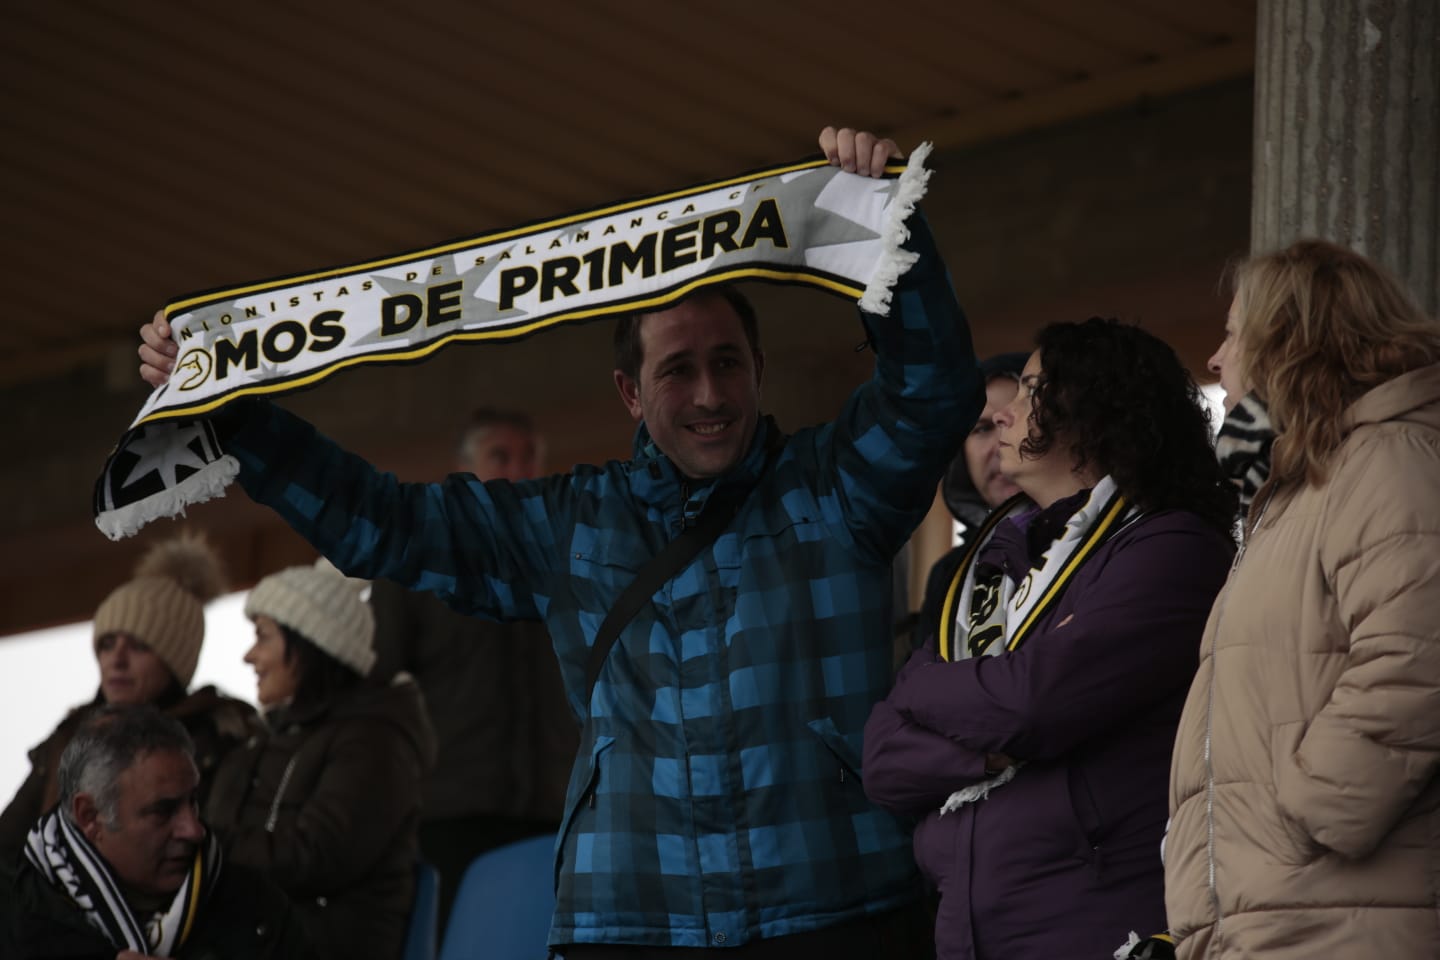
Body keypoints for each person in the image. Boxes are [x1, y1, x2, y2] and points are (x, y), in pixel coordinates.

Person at [138, 126, 982, 956]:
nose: (710, 392)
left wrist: (888, 235)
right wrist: (234, 418)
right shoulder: (569, 523)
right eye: (677, 370)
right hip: (629, 922)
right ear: (628, 392)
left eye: (729, 363)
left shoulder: (833, 486)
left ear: (759, 367)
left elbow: (932, 393)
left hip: (836, 909)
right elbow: (385, 524)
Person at [862, 318, 1238, 959]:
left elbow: (1032, 701)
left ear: (1098, 413)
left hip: (1098, 928)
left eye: (1031, 390)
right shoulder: (988, 565)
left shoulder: (1172, 545)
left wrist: (923, 686)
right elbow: (883, 761)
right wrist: (979, 758)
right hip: (970, 931)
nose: (1003, 414)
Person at [1165, 241, 1440, 958]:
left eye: (1234, 333)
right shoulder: (1295, 488)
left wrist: (1316, 809)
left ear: (1292, 343)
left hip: (1335, 915)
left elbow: (1417, 656)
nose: (1218, 359)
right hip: (1283, 914)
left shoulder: (1386, 461)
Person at [368, 406, 578, 931]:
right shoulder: (417, 561)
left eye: (530, 456)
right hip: (449, 816)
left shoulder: (574, 563)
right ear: (463, 469)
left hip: (557, 816)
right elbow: (375, 687)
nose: (519, 469)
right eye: (500, 456)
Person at [203, 560, 435, 960]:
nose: (249, 656)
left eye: (262, 636)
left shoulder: (376, 742)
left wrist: (202, 848)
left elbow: (313, 857)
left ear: (310, 641)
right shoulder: (264, 744)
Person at [0, 533, 258, 870]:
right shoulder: (69, 735)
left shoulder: (219, 741)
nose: (116, 660)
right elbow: (7, 846)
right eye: (107, 643)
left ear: (175, 661)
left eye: (139, 646)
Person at [0, 704, 309, 958]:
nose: (194, 830)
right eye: (163, 811)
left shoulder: (254, 906)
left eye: (193, 802)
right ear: (90, 816)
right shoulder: (15, 916)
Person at [906, 352, 1027, 657]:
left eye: (1018, 419)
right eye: (981, 428)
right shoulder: (949, 573)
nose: (1001, 445)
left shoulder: (1106, 550)